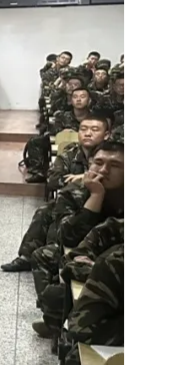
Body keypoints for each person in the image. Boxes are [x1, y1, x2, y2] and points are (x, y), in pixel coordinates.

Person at [30, 142, 125, 336]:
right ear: (89, 165)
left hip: (116, 265)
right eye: (98, 163)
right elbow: (67, 237)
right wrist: (96, 196)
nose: (104, 170)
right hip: (82, 254)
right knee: (45, 261)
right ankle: (55, 321)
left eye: (115, 165)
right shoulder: (75, 191)